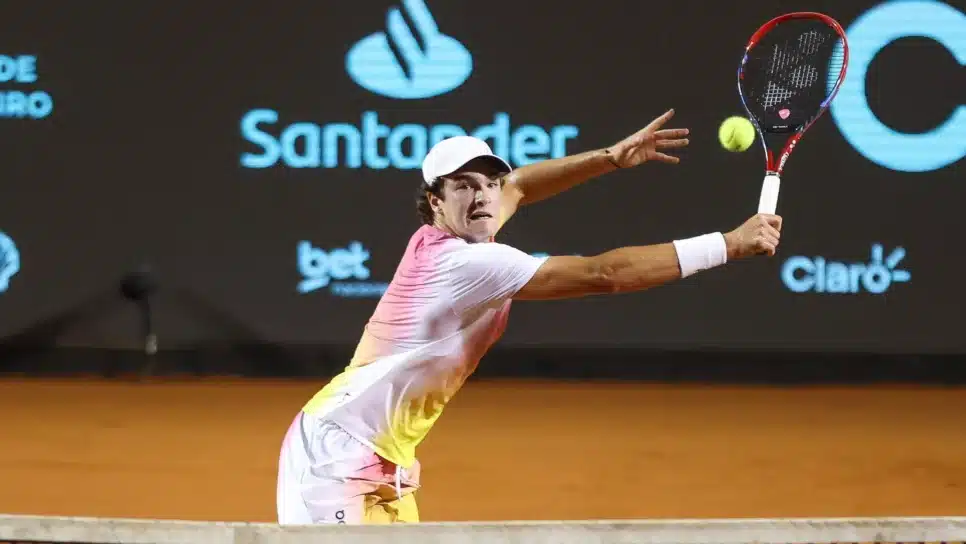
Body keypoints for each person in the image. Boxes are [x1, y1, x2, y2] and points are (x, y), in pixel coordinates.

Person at [276, 109, 783, 525]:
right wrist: (728, 245)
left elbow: (519, 186)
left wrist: (611, 158)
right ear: (435, 201)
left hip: (387, 456)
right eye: (464, 187)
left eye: (488, 184)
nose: (483, 197)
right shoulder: (463, 263)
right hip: (333, 457)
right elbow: (602, 274)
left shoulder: (459, 229)